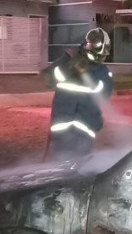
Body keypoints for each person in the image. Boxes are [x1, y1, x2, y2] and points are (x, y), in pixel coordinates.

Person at [40, 27, 114, 161]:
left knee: (81, 167)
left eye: (102, 56)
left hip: (84, 130)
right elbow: (48, 79)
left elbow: (104, 92)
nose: (99, 58)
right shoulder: (68, 60)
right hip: (62, 128)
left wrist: (86, 73)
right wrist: (67, 67)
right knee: (60, 166)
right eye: (98, 55)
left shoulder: (102, 71)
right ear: (87, 46)